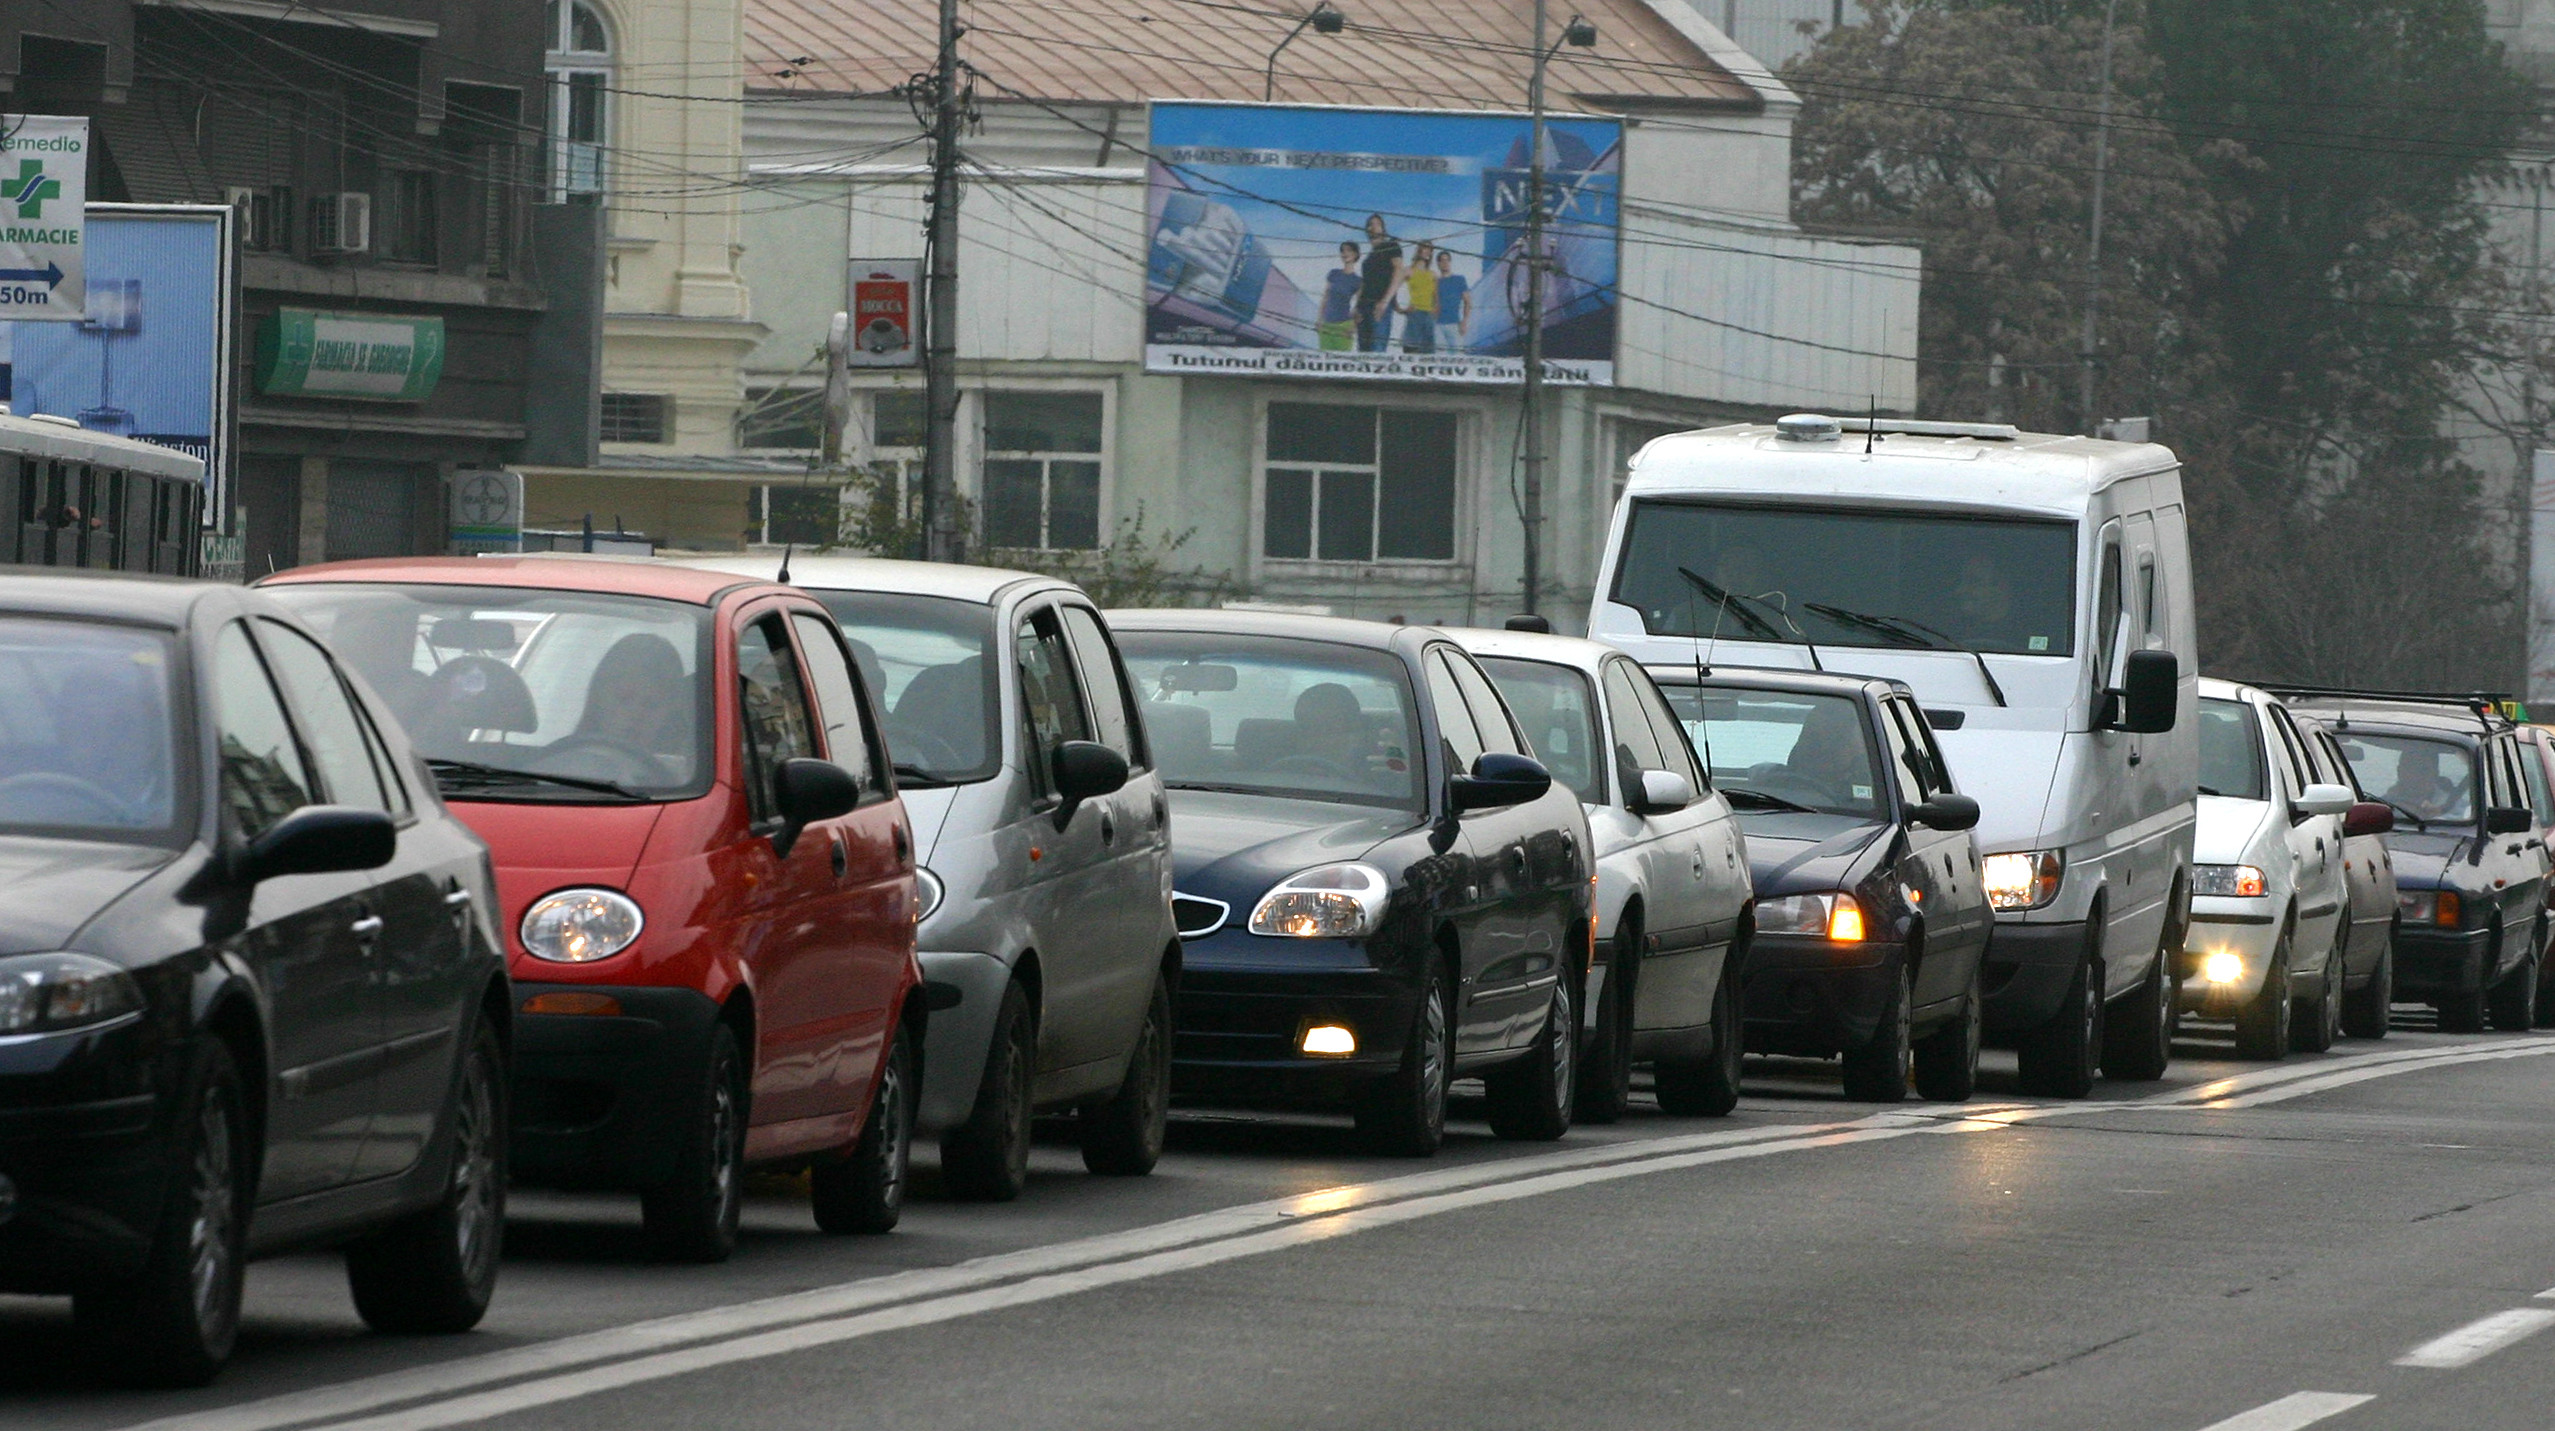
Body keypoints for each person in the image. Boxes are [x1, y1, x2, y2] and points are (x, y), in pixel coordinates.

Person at [1356, 213, 1405, 353]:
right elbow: (1364, 284)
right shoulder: (1368, 259)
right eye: (1370, 224)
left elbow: (1398, 272)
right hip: (1363, 307)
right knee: (1363, 352)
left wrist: (1385, 301)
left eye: (1377, 224)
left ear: (1383, 228)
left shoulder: (1391, 246)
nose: (1373, 227)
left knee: (1377, 350)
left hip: (1379, 304)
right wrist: (1357, 308)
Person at [1318, 242, 1361, 352]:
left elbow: (1360, 305)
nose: (1345, 253)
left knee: (1341, 359)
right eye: (1343, 251)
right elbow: (1325, 297)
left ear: (1356, 254)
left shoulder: (1357, 281)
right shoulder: (1334, 273)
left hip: (1344, 326)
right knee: (1324, 359)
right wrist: (1319, 319)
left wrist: (1353, 327)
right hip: (1327, 324)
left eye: (1349, 250)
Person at [1402, 241, 1439, 354]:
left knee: (1428, 352)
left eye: (1430, 249)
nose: (1427, 251)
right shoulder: (1409, 270)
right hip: (1415, 313)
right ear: (1419, 250)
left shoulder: (1433, 274)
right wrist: (1400, 308)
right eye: (1425, 248)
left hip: (1429, 316)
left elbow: (1436, 296)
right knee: (1411, 349)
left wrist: (1435, 311)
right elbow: (1393, 287)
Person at [1434, 248, 1471, 349]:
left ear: (1450, 262)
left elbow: (1467, 302)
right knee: (1439, 358)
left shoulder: (1459, 279)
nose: (1445, 263)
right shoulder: (1435, 282)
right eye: (1442, 260)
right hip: (1437, 326)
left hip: (1455, 324)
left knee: (1458, 357)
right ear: (1438, 263)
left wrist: (1464, 322)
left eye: (1447, 260)